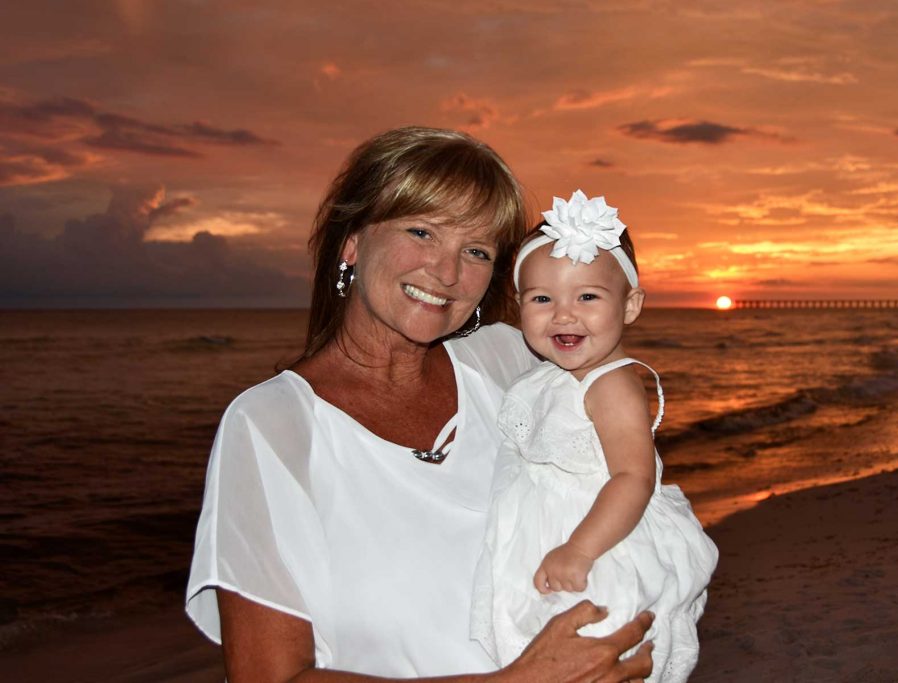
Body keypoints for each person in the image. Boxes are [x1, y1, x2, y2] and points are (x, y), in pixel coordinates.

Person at [185, 128, 654, 681]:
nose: (447, 272)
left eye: (476, 251)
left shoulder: (510, 364)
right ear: (353, 240)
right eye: (422, 231)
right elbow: (269, 677)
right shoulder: (273, 426)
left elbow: (622, 455)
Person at [470, 190, 719, 681]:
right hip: (548, 529)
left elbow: (633, 476)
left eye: (587, 296)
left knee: (595, 634)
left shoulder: (612, 384)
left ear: (630, 306)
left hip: (599, 537)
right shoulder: (552, 375)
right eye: (542, 299)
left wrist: (581, 549)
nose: (564, 314)